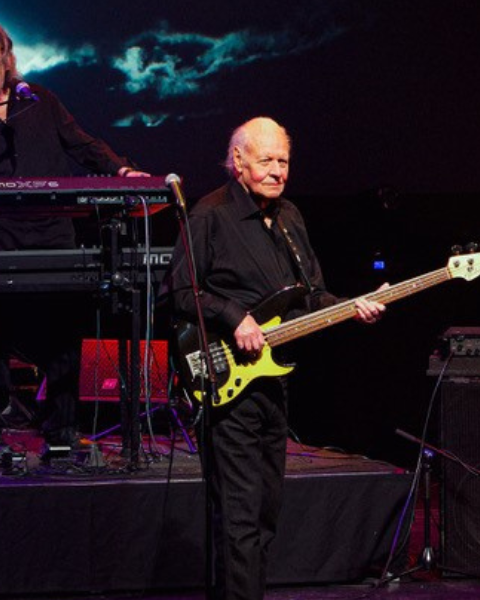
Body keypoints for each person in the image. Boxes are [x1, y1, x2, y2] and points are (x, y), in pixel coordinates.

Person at [167, 117, 384, 600]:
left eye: (284, 161)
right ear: (238, 160)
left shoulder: (290, 218)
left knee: (265, 510)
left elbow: (312, 296)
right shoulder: (209, 214)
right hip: (227, 383)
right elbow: (180, 291)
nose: (277, 170)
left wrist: (354, 307)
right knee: (240, 514)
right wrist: (234, 317)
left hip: (273, 382)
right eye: (266, 160)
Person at [0, 17, 152, 455]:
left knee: (62, 333)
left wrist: (120, 170)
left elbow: (81, 144)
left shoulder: (40, 100)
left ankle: (61, 428)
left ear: (6, 60)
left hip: (54, 236)